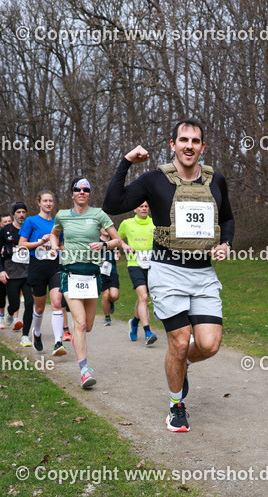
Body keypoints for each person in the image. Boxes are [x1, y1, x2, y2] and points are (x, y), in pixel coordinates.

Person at [104, 118, 234, 432]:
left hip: (203, 272)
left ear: (202, 147)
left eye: (195, 141)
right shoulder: (154, 180)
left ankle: (184, 363)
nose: (189, 146)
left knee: (209, 344)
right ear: (172, 144)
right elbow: (113, 202)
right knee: (179, 341)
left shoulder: (216, 180)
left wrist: (227, 243)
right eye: (183, 140)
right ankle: (176, 406)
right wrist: (125, 163)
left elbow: (228, 217)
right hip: (167, 271)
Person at [52, 177, 118, 388]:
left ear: (89, 193)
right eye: (77, 189)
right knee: (80, 323)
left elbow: (116, 240)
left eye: (86, 189)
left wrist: (103, 244)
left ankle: (76, 335)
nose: (82, 192)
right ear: (71, 193)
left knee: (87, 326)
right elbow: (54, 234)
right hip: (71, 274)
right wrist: (55, 247)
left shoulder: (99, 214)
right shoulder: (62, 215)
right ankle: (84, 370)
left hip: (92, 276)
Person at [18, 191, 64, 355]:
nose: (48, 203)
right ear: (39, 203)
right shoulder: (31, 221)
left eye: (51, 201)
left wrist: (57, 248)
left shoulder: (57, 222)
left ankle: (58, 342)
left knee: (57, 302)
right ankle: (36, 333)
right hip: (37, 267)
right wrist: (40, 242)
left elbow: (62, 245)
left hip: (54, 267)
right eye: (45, 201)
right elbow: (21, 245)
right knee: (39, 307)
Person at [118, 200, 158, 344]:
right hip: (134, 264)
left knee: (144, 298)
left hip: (153, 264)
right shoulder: (127, 223)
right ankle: (147, 331)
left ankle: (134, 322)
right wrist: (124, 245)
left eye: (146, 206)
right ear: (134, 209)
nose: (144, 208)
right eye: (141, 206)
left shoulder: (155, 223)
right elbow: (116, 238)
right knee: (143, 296)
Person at [0, 202, 34, 345]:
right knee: (15, 304)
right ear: (14, 214)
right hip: (11, 272)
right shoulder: (5, 230)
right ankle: (10, 312)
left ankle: (25, 336)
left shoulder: (30, 228)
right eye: (18, 212)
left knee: (29, 302)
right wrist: (0, 271)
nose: (21, 215)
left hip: (28, 271)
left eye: (23, 212)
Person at [0, 214, 14, 329]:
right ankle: (1, 317)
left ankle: (15, 318)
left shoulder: (16, 232)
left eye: (9, 221)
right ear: (1, 224)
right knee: (2, 293)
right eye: (5, 222)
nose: (7, 223)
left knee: (14, 293)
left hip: (14, 267)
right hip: (1, 267)